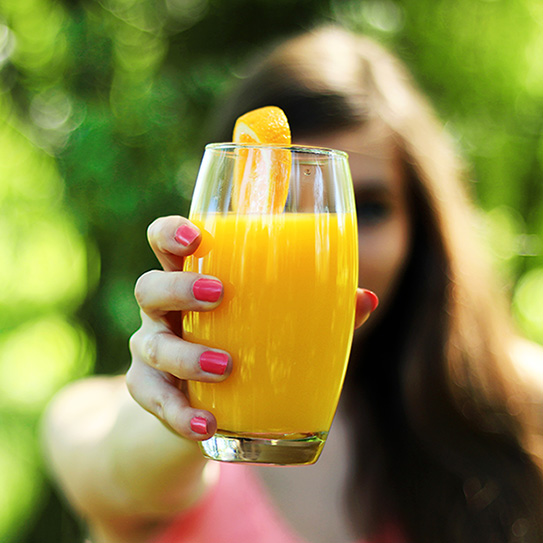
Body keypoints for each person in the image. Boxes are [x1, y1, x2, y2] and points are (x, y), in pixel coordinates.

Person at [41, 26, 543, 543]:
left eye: (366, 207)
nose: (318, 241)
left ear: (420, 228)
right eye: (277, 202)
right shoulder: (88, 415)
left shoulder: (521, 404)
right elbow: (118, 477)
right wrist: (182, 412)